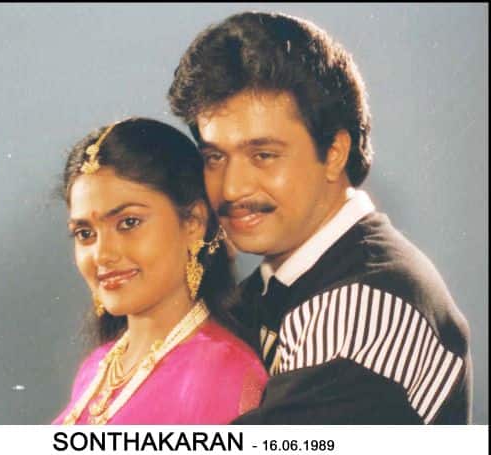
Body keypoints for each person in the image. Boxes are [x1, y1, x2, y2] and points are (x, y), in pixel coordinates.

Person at [168, 12, 472, 424]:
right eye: (215, 158)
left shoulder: (364, 310)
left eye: (263, 155)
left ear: (334, 153)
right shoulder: (273, 288)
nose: (233, 188)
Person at [52, 117, 267, 425]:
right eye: (85, 234)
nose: (102, 254)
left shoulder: (220, 372)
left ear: (193, 222)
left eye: (128, 223)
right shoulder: (97, 367)